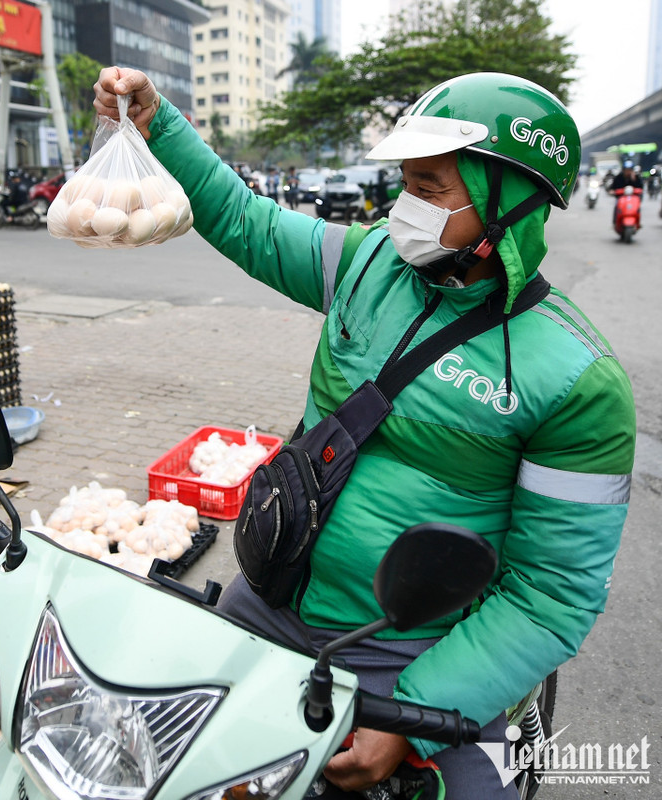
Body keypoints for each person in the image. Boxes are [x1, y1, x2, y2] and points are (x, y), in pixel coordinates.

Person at [94, 68, 634, 797]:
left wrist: (416, 714)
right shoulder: (367, 261)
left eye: (431, 187)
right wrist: (158, 121)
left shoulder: (578, 381)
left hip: (414, 651)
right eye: (405, 182)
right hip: (273, 597)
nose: (405, 205)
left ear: (510, 200)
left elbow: (552, 592)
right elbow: (245, 220)